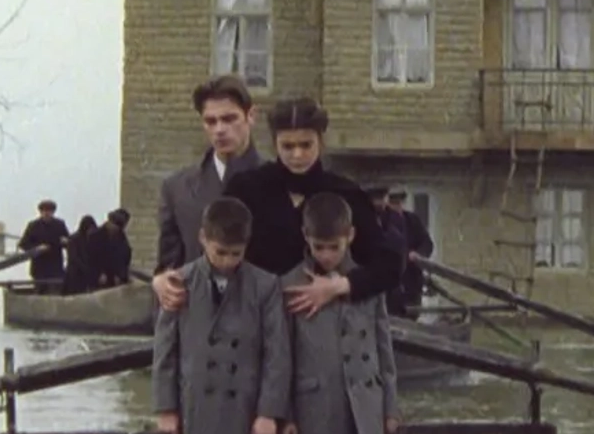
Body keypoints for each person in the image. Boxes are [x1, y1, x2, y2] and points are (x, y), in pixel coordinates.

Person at [157, 96, 402, 322]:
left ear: (321, 141)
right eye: (288, 146)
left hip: (323, 325)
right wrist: (163, 280)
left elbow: (388, 264)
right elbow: (215, 250)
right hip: (255, 322)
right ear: (275, 144)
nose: (298, 155)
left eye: (306, 145)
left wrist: (339, 286)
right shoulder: (247, 189)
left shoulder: (346, 194)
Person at [151, 197, 290, 434]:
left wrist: (268, 413)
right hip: (195, 409)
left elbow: (277, 353)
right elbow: (165, 349)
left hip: (247, 412)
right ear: (203, 238)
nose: (227, 261)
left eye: (236, 253)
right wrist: (166, 409)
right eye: (220, 252)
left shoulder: (265, 286)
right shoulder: (179, 282)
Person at [280, 192, 399, 434]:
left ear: (351, 236)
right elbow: (283, 354)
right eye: (318, 247)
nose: (326, 256)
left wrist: (390, 407)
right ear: (305, 237)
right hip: (314, 405)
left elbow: (383, 347)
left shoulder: (368, 282)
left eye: (335, 247)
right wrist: (286, 415)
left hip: (364, 399)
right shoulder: (289, 285)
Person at [155, 76, 266, 273]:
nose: (220, 130)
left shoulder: (278, 182)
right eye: (210, 121)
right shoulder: (176, 189)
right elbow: (169, 264)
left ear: (251, 116)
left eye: (229, 119)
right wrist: (162, 281)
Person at [365, 186, 413, 317]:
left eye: (381, 198)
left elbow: (401, 246)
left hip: (392, 275)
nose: (378, 203)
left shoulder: (395, 218)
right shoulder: (363, 216)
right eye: (375, 199)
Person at [388, 190, 435, 316]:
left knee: (411, 315)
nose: (397, 207)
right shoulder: (381, 222)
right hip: (390, 285)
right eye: (393, 203)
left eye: (399, 203)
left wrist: (418, 254)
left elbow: (427, 243)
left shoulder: (412, 220)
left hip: (411, 281)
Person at [17, 200, 71, 294]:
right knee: (39, 293)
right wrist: (37, 248)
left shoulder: (59, 224)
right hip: (39, 268)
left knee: (56, 294)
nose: (47, 214)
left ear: (53, 212)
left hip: (55, 267)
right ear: (40, 212)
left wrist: (65, 242)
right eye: (44, 211)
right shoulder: (33, 225)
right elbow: (23, 244)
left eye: (49, 211)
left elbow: (68, 243)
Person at [92, 209, 134, 288]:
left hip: (114, 279)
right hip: (99, 279)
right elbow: (94, 257)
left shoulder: (120, 237)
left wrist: (121, 274)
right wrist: (100, 273)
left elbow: (123, 255)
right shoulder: (96, 236)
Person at [62, 215, 99, 296]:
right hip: (74, 275)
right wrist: (85, 268)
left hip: (86, 275)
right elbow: (73, 257)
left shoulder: (91, 239)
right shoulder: (73, 239)